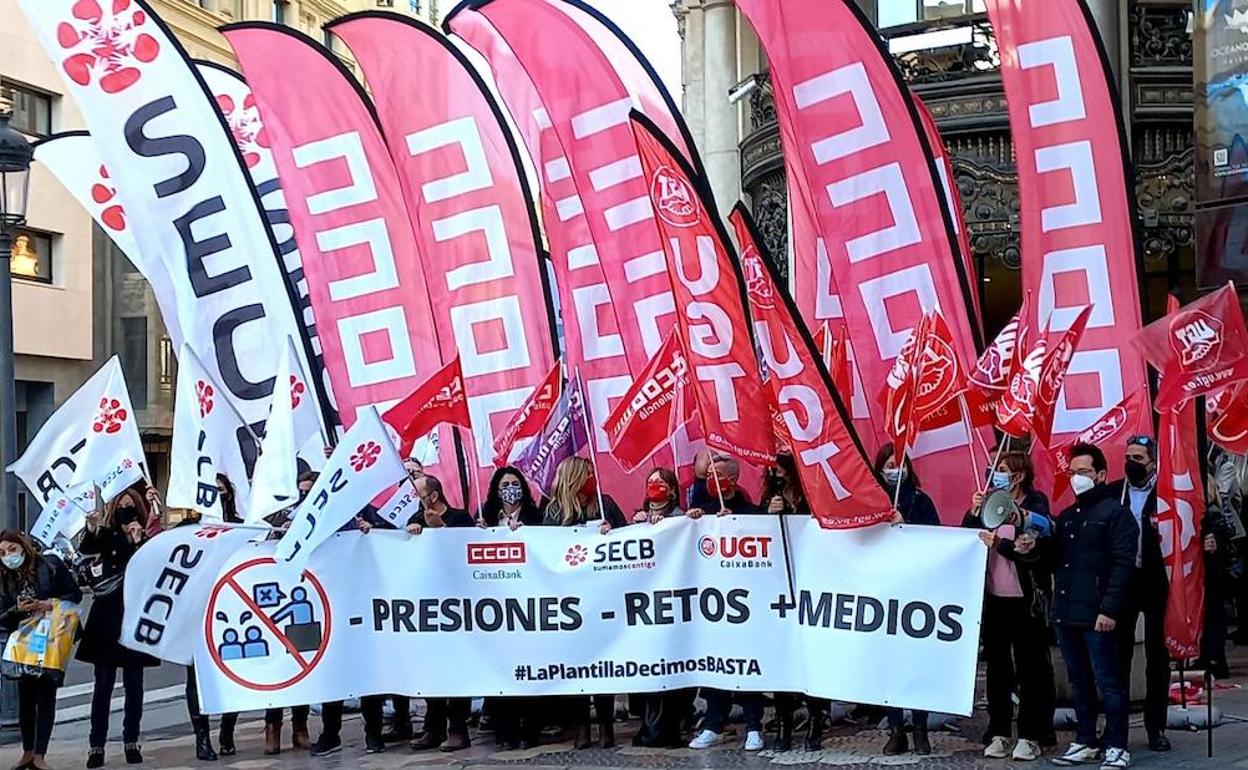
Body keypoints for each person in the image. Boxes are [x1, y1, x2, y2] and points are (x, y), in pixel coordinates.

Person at [1016, 443, 1137, 769]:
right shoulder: (1067, 517)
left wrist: (1109, 610)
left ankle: (1117, 745)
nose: (1077, 478)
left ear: (1100, 474)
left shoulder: (1116, 515)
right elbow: (1051, 557)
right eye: (1072, 473)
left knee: (1109, 681)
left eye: (1083, 472)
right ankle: (1085, 740)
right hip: (1066, 611)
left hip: (1098, 614)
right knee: (1079, 681)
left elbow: (1123, 566)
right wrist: (1029, 548)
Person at [962, 451, 1056, 762]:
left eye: (1001, 470)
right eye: (993, 468)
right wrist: (972, 512)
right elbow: (967, 539)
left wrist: (1001, 545)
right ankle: (999, 731)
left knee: (1031, 670)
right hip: (994, 600)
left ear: (1018, 476)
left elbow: (1034, 551)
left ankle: (1031, 734)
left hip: (1025, 603)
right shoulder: (988, 504)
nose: (994, 473)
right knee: (998, 670)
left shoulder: (1035, 504)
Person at [543, 457, 625, 748]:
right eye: (588, 473)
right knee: (576, 666)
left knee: (601, 664)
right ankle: (581, 727)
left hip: (601, 595)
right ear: (575, 477)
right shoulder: (553, 511)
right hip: (569, 599)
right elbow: (545, 551)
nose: (593, 477)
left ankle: (605, 726)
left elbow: (628, 539)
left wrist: (610, 532)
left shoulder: (605, 504)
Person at [78, 488, 161, 768]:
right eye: (121, 505)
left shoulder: (146, 536)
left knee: (134, 684)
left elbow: (152, 569)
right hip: (106, 617)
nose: (126, 510)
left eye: (131, 505)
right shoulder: (105, 534)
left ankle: (131, 740)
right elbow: (86, 549)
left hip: (136, 616)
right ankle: (96, 745)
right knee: (103, 684)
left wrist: (139, 540)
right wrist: (91, 525)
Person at [1105, 436, 1171, 753]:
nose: (1132, 462)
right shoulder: (1114, 492)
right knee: (1118, 656)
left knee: (1158, 657)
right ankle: (1115, 729)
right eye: (1128, 456)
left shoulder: (1170, 492)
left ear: (1153, 462)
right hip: (1123, 581)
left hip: (1159, 581)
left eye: (1139, 457)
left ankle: (1156, 727)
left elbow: (1198, 520)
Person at [871, 447, 938, 755]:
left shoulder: (921, 502)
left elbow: (936, 540)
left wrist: (906, 525)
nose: (894, 470)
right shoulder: (869, 500)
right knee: (888, 665)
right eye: (888, 465)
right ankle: (896, 729)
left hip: (915, 594)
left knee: (917, 664)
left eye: (899, 464)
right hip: (882, 595)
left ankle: (921, 729)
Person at [406, 475, 477, 753]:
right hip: (428, 606)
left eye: (419, 492)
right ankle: (432, 727)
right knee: (432, 669)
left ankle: (458, 729)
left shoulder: (460, 518)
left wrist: (441, 529)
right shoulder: (416, 518)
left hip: (458, 604)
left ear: (433, 496)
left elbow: (467, 551)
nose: (416, 498)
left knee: (456, 667)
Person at [0, 531, 82, 770]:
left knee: (46, 695)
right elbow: (3, 617)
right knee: (25, 699)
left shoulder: (50, 565)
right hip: (23, 644)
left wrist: (48, 604)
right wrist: (17, 609)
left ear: (23, 547)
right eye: (3, 553)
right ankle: (27, 752)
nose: (8, 556)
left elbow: (74, 594)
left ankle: (40, 754)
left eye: (11, 550)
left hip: (51, 638)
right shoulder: (5, 578)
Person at [628, 468, 695, 749]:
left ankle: (676, 721)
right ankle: (651, 724)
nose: (655, 486)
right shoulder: (637, 520)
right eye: (651, 481)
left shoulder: (683, 518)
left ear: (671, 488)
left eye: (661, 482)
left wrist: (689, 522)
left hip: (675, 606)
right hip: (645, 608)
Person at [262, 472, 315, 755]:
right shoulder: (278, 515)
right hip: (275, 597)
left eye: (309, 490)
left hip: (308, 598)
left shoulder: (319, 515)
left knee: (302, 667)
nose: (304, 495)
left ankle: (300, 726)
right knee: (277, 670)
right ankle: (272, 727)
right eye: (301, 490)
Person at [686, 457, 762, 518]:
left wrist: (734, 519)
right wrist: (691, 518)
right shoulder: (704, 512)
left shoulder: (753, 513)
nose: (711, 479)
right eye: (709, 475)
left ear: (732, 480)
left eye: (717, 475)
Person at [481, 466, 545, 529]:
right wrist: (480, 529)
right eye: (505, 485)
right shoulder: (485, 514)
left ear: (522, 489)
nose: (511, 488)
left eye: (515, 484)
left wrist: (525, 530)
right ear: (497, 491)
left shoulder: (537, 516)